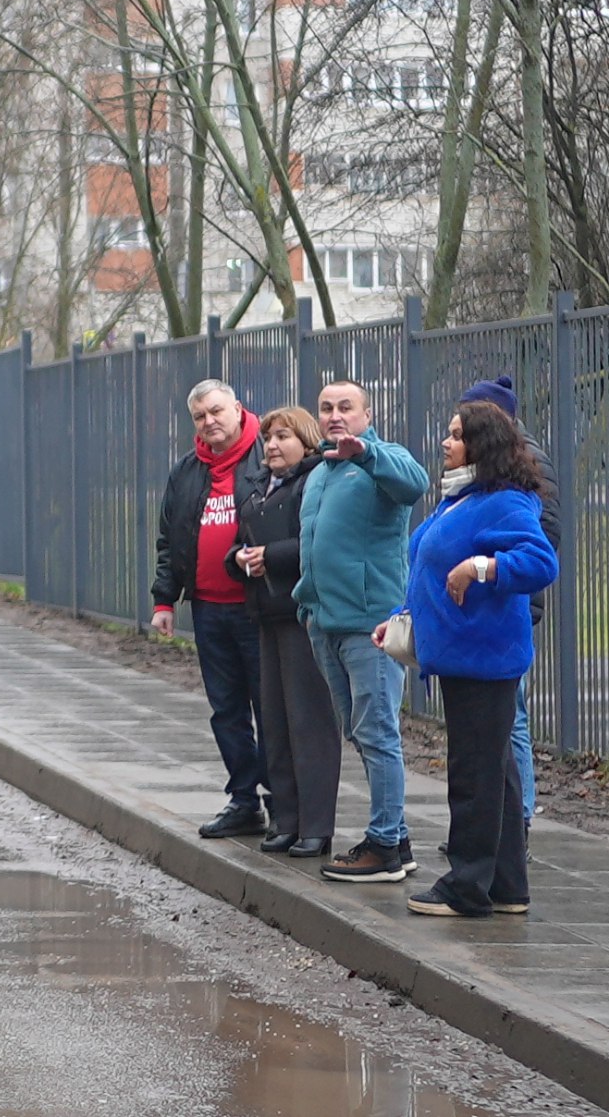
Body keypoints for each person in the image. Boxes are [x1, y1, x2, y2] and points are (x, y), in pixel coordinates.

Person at [389, 402, 558, 918]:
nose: (446, 442)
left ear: (481, 445)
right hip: (462, 656)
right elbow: (426, 564)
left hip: (484, 659)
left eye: (457, 435)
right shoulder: (462, 498)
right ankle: (508, 885)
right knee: (497, 774)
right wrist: (400, 614)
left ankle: (467, 884)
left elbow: (540, 561)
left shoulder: (505, 501)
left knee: (473, 777)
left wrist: (483, 567)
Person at [294, 378, 429, 883]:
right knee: (359, 731)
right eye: (326, 407)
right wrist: (306, 603)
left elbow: (414, 483)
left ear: (366, 415)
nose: (334, 415)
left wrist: (366, 452)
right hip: (326, 623)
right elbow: (313, 543)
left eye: (346, 407)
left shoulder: (381, 458)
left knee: (377, 733)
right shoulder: (322, 472)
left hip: (369, 627)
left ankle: (384, 848)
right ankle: (396, 835)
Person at [150, 378, 268, 840]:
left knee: (270, 707)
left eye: (216, 411)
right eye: (200, 417)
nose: (209, 422)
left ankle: (283, 799)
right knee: (226, 711)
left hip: (257, 607)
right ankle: (244, 800)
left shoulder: (266, 454)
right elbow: (170, 538)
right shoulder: (186, 471)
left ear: (237, 408)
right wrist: (165, 599)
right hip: (209, 610)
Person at [227, 406, 339, 858]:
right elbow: (240, 538)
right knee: (274, 723)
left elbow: (317, 541)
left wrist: (268, 555)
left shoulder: (316, 481)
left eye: (283, 437)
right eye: (268, 438)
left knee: (309, 723)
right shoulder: (256, 487)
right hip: (263, 613)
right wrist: (238, 556)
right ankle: (286, 820)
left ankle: (317, 825)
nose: (272, 446)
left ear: (306, 442)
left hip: (300, 614)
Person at [458, 375, 557, 830]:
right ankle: (500, 817)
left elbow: (540, 544)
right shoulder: (481, 470)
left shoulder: (521, 465)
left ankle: (515, 816)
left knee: (509, 717)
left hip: (504, 603)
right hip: (482, 605)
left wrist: (486, 569)